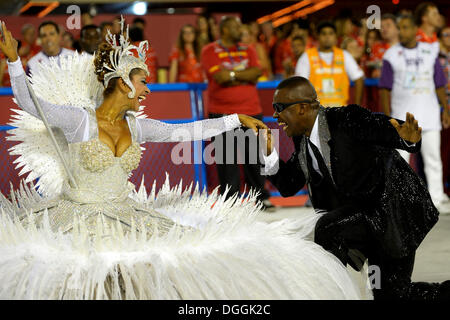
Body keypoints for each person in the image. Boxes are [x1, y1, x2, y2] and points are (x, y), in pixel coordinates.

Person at [0, 20, 364, 300]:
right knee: (82, 273)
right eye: (142, 82)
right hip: (76, 216)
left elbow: (187, 131)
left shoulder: (137, 127)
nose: (147, 90)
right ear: (123, 83)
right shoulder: (79, 120)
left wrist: (235, 119)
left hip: (123, 213)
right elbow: (29, 102)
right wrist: (15, 61)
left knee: (137, 271)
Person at [260, 75, 450, 300]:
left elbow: (378, 125)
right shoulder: (303, 140)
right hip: (365, 219)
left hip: (394, 213)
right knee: (387, 292)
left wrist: (405, 138)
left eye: (279, 108)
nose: (274, 115)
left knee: (330, 230)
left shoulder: (345, 119)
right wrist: (268, 154)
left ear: (302, 108)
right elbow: (288, 185)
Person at [201, 16, 274, 211]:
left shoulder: (248, 48)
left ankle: (260, 198)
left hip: (251, 110)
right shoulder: (209, 50)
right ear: (224, 30)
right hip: (221, 113)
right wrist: (243, 75)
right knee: (227, 159)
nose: (239, 29)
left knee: (255, 158)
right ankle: (230, 202)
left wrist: (233, 75)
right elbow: (220, 77)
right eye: (235, 26)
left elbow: (256, 72)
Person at [379, 15, 450, 214]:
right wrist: (387, 117)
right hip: (403, 118)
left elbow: (439, 84)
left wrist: (446, 109)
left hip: (430, 114)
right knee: (400, 162)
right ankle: (399, 202)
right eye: (399, 28)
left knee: (433, 160)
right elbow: (384, 88)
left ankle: (436, 200)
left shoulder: (430, 52)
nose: (402, 31)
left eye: (406, 27)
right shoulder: (391, 55)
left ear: (416, 29)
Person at [295, 21, 364, 107]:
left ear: (335, 37)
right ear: (318, 37)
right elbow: (300, 84)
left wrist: (357, 108)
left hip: (340, 111)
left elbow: (359, 79)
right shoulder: (307, 56)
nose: (327, 37)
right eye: (323, 34)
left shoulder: (344, 55)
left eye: (331, 33)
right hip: (316, 111)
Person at [369, 13, 399, 79]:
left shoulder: (405, 46)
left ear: (397, 28)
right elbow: (375, 73)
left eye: (388, 25)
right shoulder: (376, 47)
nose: (384, 29)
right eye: (382, 27)